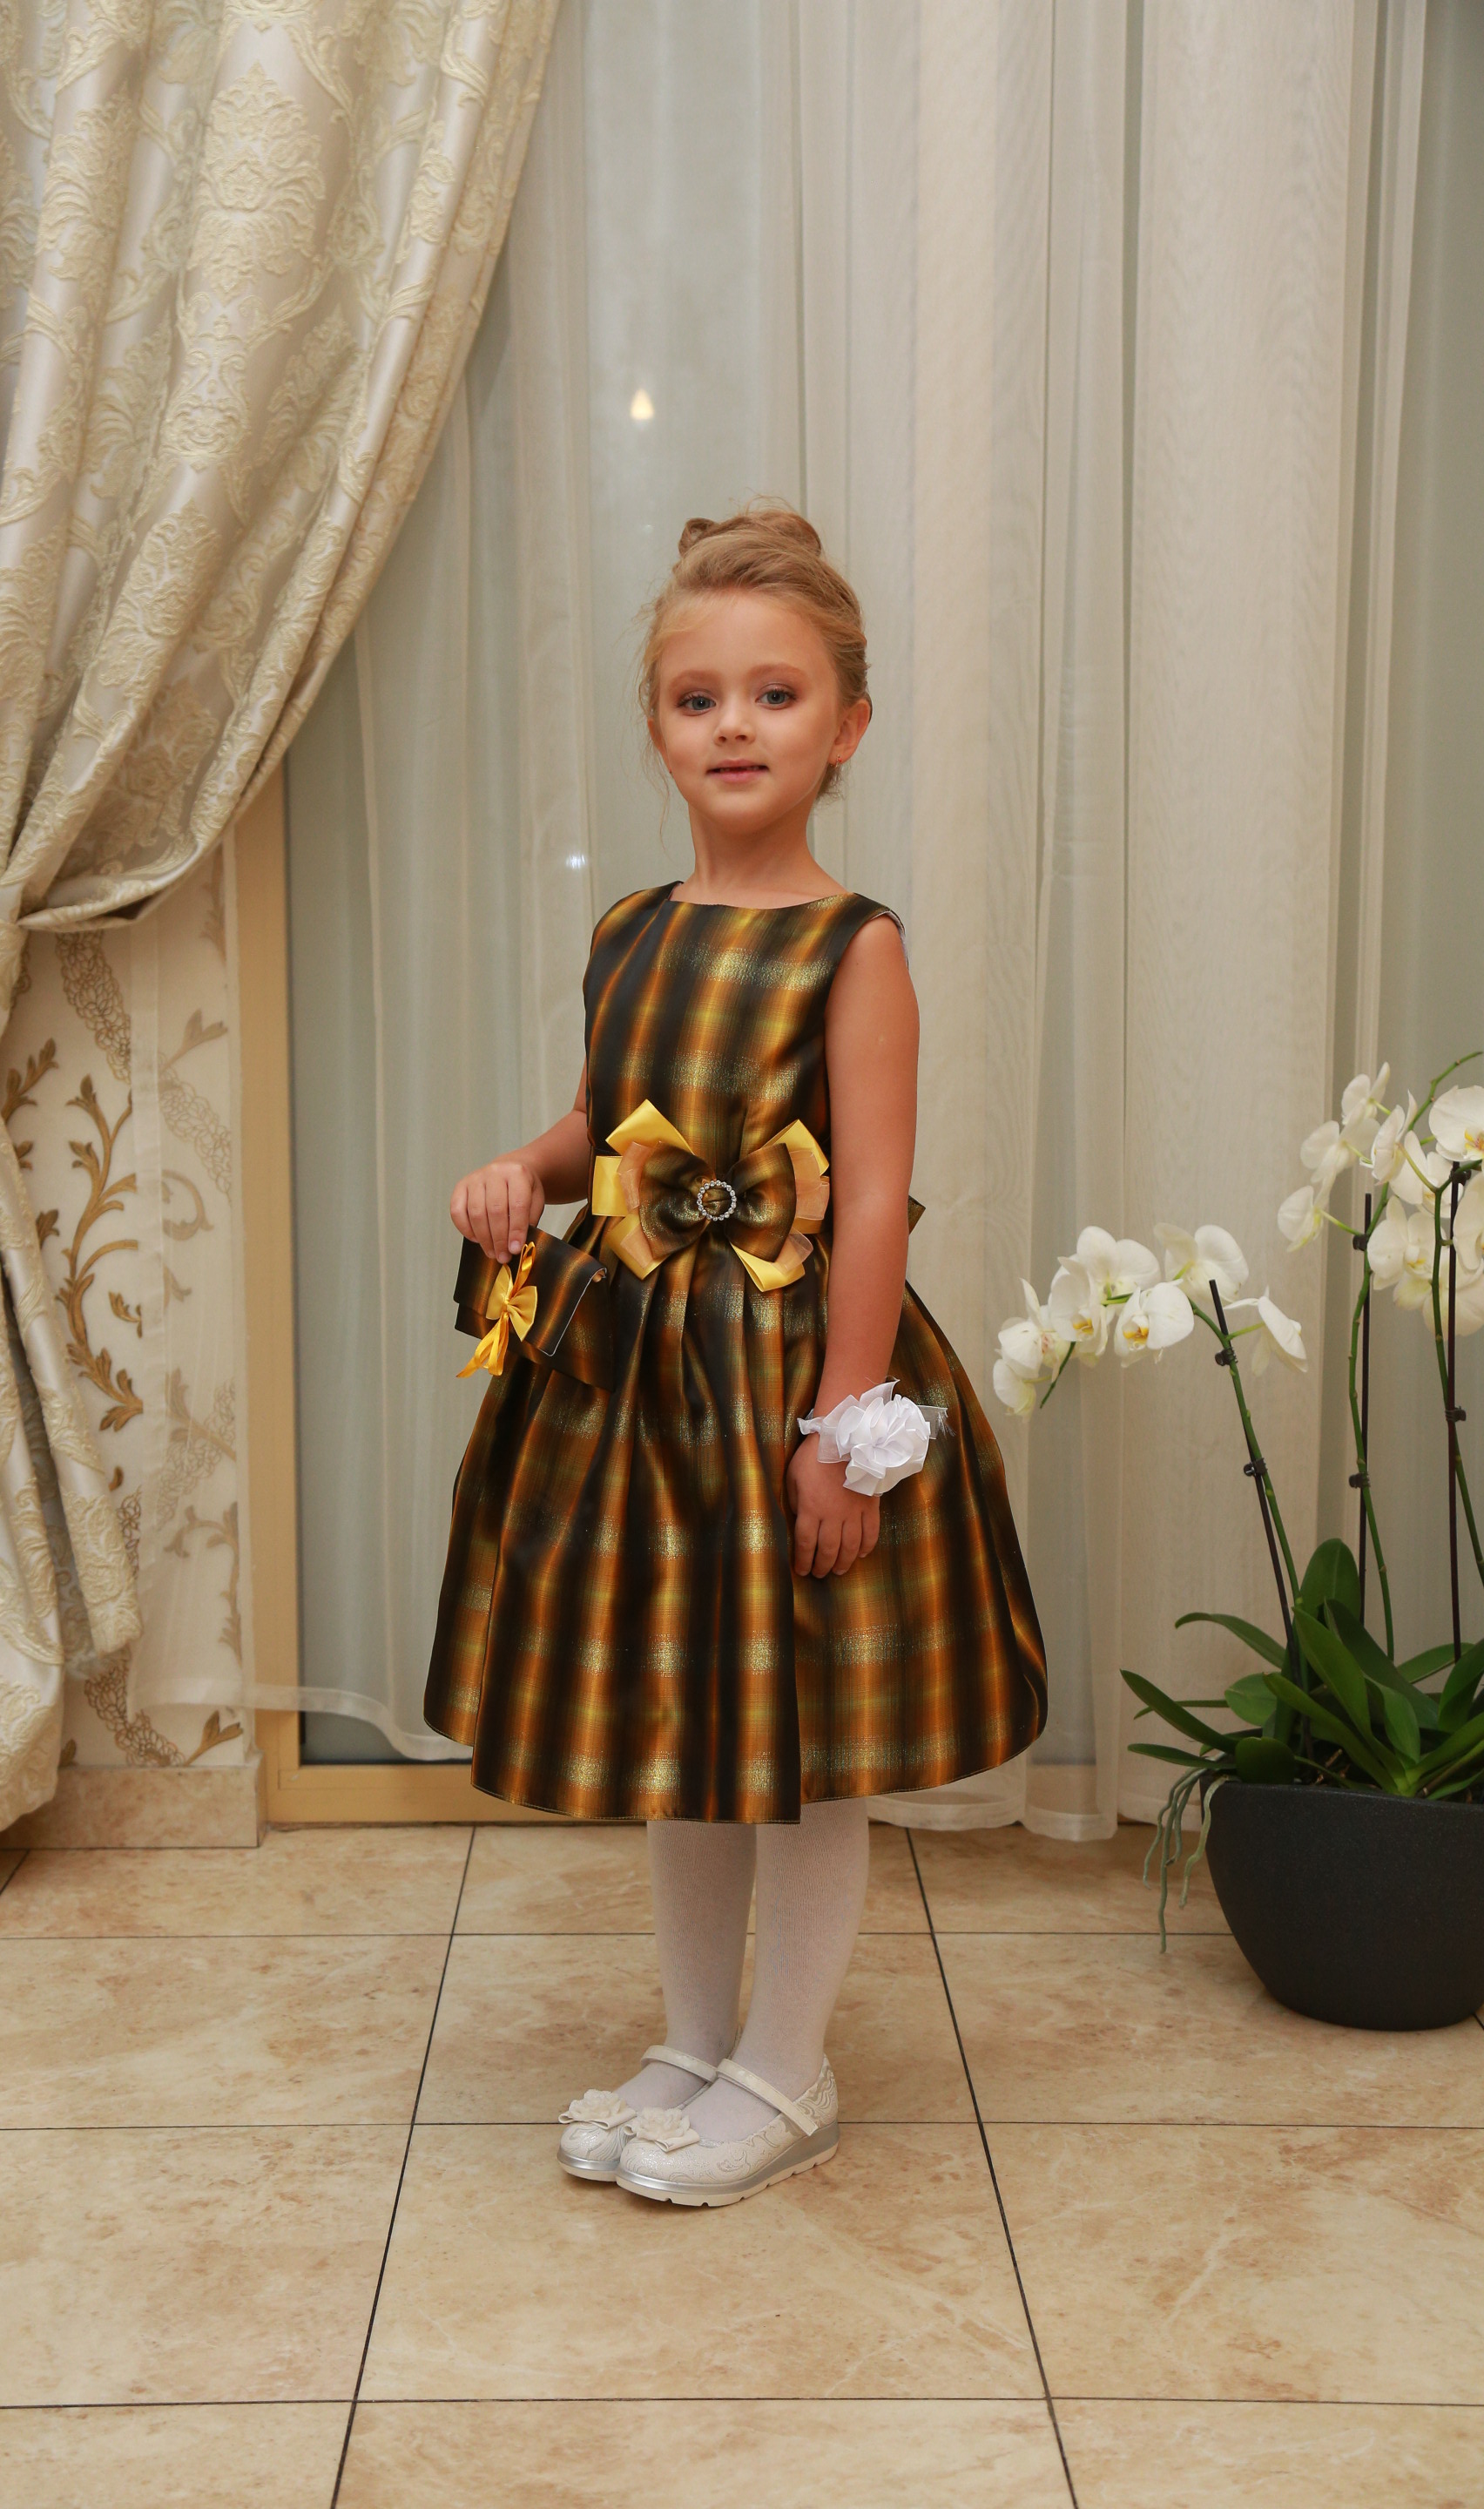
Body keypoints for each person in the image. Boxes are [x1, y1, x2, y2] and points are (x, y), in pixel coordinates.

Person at [425, 504, 1045, 2206]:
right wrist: (524, 1170)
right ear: (655, 727)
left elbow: (872, 1199)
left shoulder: (856, 946)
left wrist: (846, 1423)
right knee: (681, 1719)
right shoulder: (630, 926)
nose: (736, 727)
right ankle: (696, 2040)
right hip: (642, 1388)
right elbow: (602, 1123)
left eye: (777, 695)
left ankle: (788, 2064)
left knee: (799, 1735)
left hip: (781, 1378)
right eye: (698, 699)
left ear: (848, 725)